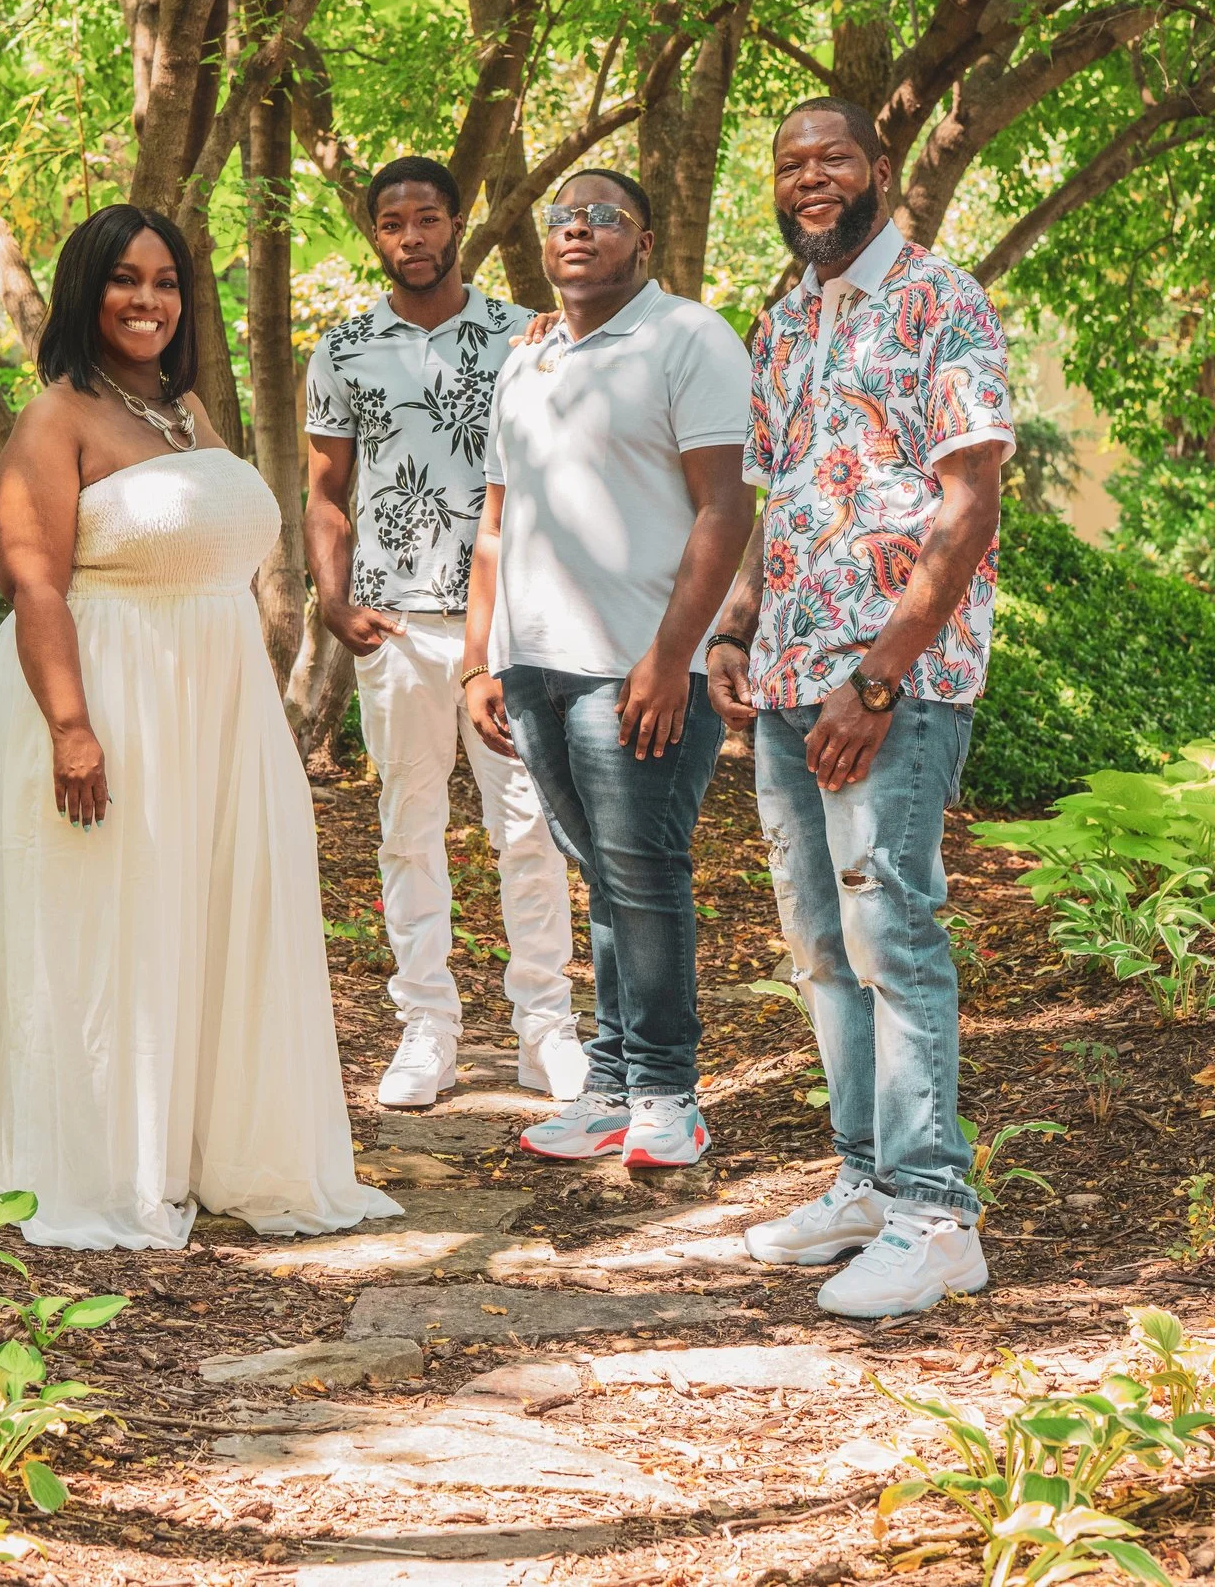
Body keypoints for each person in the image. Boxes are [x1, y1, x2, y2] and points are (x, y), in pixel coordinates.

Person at [0, 202, 402, 1250]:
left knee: (209, 911)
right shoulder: (54, 417)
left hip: (212, 697)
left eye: (163, 281)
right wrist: (72, 727)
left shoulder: (184, 409)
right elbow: (35, 589)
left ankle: (209, 1146)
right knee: (108, 921)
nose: (146, 300)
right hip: (106, 693)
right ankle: (108, 1156)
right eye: (123, 280)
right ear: (83, 291)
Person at [710, 97, 1013, 1319]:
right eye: (790, 163)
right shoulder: (778, 319)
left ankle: (938, 1216)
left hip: (891, 679)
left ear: (879, 170)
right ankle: (866, 1186)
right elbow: (768, 499)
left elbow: (968, 502)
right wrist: (733, 629)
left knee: (891, 932)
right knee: (818, 948)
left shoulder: (944, 300)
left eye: (832, 157)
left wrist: (880, 675)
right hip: (784, 675)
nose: (810, 178)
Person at [462, 168, 756, 1170]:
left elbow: (725, 507)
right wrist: (482, 662)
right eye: (561, 218)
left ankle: (670, 1092)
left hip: (638, 667)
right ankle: (611, 1086)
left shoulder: (689, 339)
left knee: (644, 874)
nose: (577, 230)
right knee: (603, 879)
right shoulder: (529, 360)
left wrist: (671, 660)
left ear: (643, 240)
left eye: (602, 217)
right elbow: (497, 524)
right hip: (537, 664)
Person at [304, 156, 586, 1111]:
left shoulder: (523, 338)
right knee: (408, 831)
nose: (412, 237)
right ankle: (427, 1029)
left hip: (511, 633)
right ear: (373, 233)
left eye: (429, 219)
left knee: (530, 828)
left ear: (459, 223)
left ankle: (546, 1028)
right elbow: (325, 492)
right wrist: (332, 600)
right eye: (393, 222)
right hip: (397, 631)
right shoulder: (343, 350)